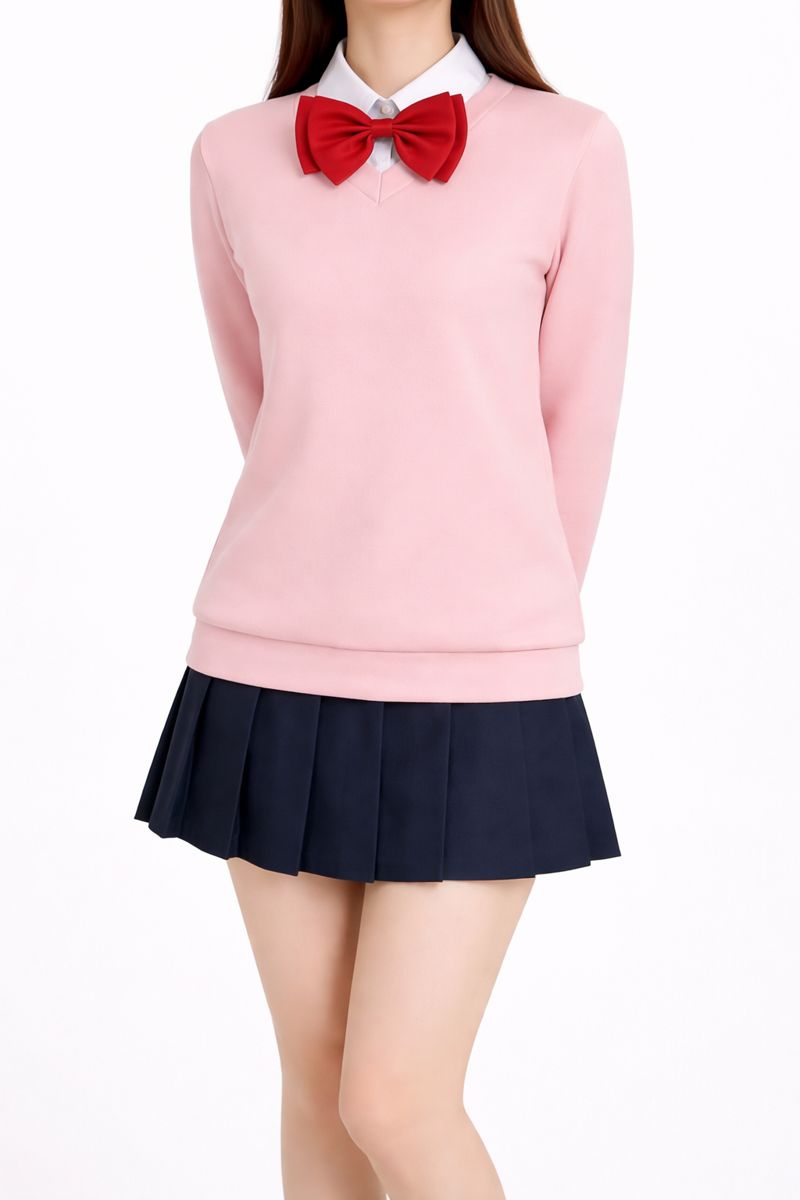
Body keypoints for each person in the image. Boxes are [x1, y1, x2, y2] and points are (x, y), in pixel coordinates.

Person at [135, 1, 634, 1195]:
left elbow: (576, 425)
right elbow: (268, 407)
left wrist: (497, 615)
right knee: (317, 1088)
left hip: (481, 677)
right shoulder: (231, 155)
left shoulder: (570, 148)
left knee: (394, 1098)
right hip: (266, 664)